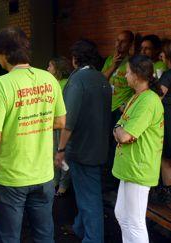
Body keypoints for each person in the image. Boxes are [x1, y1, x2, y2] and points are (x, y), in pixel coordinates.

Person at [0, 27, 66, 243]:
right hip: (44, 175)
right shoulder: (49, 79)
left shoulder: (0, 85)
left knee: (9, 237)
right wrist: (36, 121)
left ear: (2, 54)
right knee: (44, 235)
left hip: (11, 177)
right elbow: (61, 121)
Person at [56, 39, 112, 243]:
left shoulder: (77, 80)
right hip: (100, 145)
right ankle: (80, 226)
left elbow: (68, 122)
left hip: (81, 148)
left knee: (89, 197)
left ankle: (93, 238)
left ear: (75, 59)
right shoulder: (102, 79)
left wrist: (60, 149)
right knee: (86, 192)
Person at [112, 55, 164, 243]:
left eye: (128, 72)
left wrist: (119, 130)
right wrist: (119, 130)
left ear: (138, 75)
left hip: (139, 167)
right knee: (121, 214)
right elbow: (119, 127)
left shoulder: (149, 101)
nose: (125, 76)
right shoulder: (137, 97)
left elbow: (124, 135)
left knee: (135, 221)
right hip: (130, 167)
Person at [102, 30, 134, 191]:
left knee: (118, 145)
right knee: (107, 144)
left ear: (130, 44)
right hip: (108, 107)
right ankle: (108, 177)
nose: (118, 44)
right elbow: (101, 79)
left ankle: (115, 181)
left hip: (121, 111)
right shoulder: (110, 59)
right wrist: (113, 65)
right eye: (117, 40)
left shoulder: (132, 62)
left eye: (123, 41)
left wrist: (127, 105)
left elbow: (138, 87)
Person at [47, 56, 73, 196]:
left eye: (50, 66)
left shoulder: (64, 83)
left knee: (62, 154)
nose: (47, 69)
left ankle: (63, 183)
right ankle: (55, 180)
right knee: (54, 154)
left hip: (61, 125)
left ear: (58, 69)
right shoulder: (53, 82)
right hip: (53, 123)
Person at [157, 39, 171, 202]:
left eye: (163, 52)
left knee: (166, 160)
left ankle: (170, 200)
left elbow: (156, 98)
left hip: (170, 122)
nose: (160, 55)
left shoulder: (169, 74)